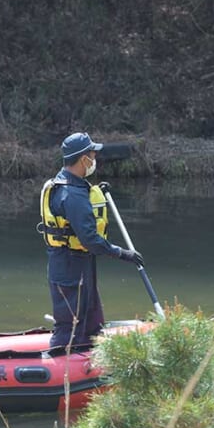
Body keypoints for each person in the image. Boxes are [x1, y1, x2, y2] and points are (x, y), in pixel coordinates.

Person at [38, 132, 144, 349]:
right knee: (70, 327)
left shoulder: (71, 185)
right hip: (70, 268)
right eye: (91, 155)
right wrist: (123, 254)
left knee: (91, 322)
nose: (94, 159)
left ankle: (89, 360)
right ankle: (59, 369)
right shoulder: (72, 195)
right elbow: (90, 240)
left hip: (77, 265)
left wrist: (95, 192)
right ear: (82, 159)